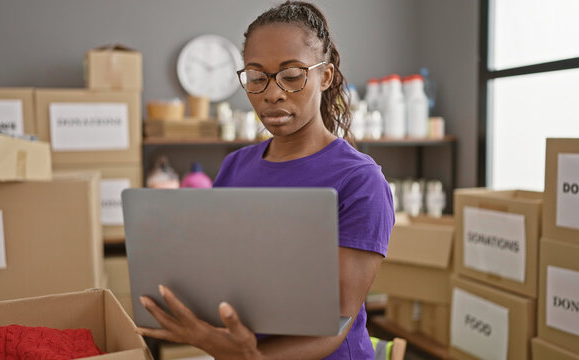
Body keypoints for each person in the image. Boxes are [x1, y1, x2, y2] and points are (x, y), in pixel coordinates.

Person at [136, 2, 394, 359]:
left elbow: (337, 322)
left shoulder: (360, 181)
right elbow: (222, 277)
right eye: (256, 77)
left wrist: (244, 356)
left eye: (292, 76)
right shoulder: (235, 166)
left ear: (326, 76)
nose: (272, 93)